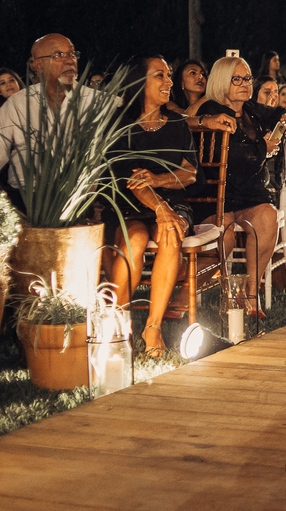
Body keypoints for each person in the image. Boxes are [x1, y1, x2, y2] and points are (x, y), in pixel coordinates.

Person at [103, 56, 201, 356]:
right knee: (134, 239)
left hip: (173, 203)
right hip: (128, 205)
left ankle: (152, 327)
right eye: (160, 75)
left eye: (169, 75)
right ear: (139, 82)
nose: (169, 82)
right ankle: (117, 325)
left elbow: (190, 173)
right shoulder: (120, 126)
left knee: (170, 233)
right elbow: (131, 180)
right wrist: (160, 208)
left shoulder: (177, 124)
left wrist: (158, 181)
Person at [196, 56, 286, 315]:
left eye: (248, 79)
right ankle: (181, 296)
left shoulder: (250, 109)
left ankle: (251, 295)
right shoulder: (211, 110)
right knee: (225, 238)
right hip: (217, 194)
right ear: (222, 81)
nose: (245, 84)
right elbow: (233, 156)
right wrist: (263, 146)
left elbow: (275, 112)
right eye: (237, 79)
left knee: (267, 217)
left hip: (249, 194)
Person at [0, 33, 100, 208]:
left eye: (72, 54)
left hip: (74, 201)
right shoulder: (18, 104)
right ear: (37, 64)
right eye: (59, 55)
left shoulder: (95, 103)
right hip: (24, 200)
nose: (70, 61)